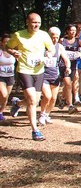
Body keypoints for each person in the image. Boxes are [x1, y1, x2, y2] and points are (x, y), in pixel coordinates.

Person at [6, 12, 54, 141]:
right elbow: (8, 47)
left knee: (34, 101)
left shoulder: (44, 35)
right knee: (32, 100)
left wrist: (49, 53)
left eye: (38, 22)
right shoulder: (18, 35)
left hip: (39, 70)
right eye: (33, 22)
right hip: (24, 70)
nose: (36, 25)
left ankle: (18, 103)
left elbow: (51, 48)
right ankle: (35, 130)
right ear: (27, 22)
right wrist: (13, 51)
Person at [39, 27, 72, 125]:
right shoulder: (42, 46)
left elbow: (66, 59)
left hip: (55, 75)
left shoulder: (59, 47)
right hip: (44, 74)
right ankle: (41, 114)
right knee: (47, 96)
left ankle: (47, 114)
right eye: (52, 37)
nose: (55, 39)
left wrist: (68, 67)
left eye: (57, 37)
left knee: (53, 98)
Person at [60, 24, 81, 114]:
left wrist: (79, 54)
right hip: (63, 65)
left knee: (70, 83)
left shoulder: (78, 41)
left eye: (74, 31)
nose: (73, 32)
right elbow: (56, 49)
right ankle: (70, 104)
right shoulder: (62, 40)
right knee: (68, 83)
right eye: (71, 30)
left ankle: (63, 98)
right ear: (67, 31)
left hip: (74, 65)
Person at [0, 34, 16, 122]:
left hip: (10, 76)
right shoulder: (0, 52)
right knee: (4, 94)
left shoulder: (14, 52)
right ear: (1, 43)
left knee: (6, 96)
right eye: (5, 42)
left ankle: (1, 112)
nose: (7, 44)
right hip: (1, 77)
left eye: (9, 42)